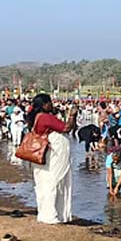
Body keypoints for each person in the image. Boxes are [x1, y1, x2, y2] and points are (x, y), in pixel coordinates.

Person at [27, 94, 77, 224]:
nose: (52, 105)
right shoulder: (45, 118)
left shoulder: (37, 117)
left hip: (46, 156)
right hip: (52, 157)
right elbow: (66, 128)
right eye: (49, 103)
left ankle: (47, 213)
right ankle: (51, 214)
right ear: (44, 105)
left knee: (45, 183)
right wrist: (72, 115)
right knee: (53, 182)